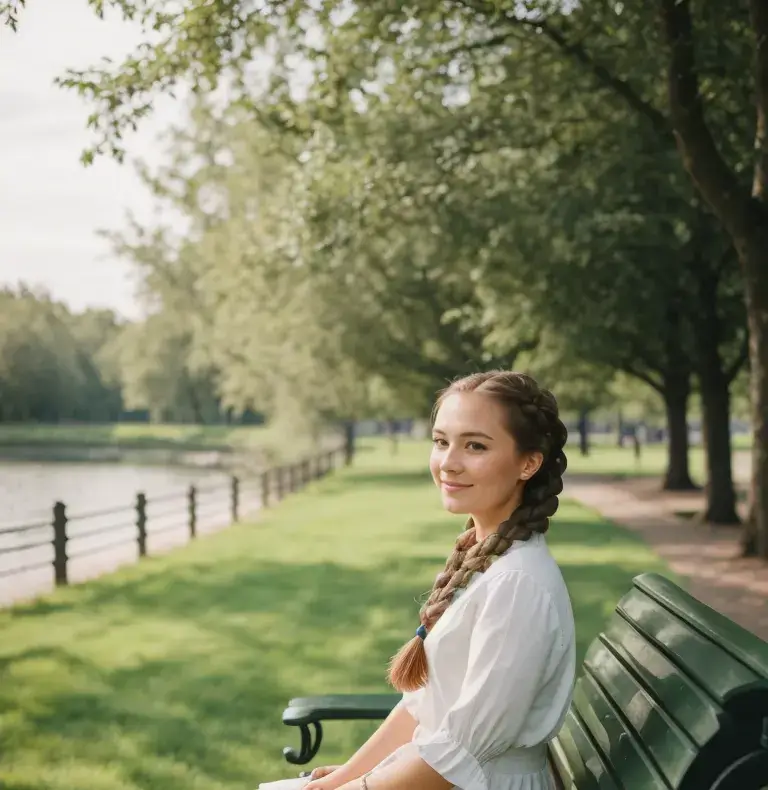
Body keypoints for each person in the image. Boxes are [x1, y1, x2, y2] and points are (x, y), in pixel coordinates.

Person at [262, 371, 576, 790]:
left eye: (475, 446)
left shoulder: (518, 585)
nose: (448, 462)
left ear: (528, 463)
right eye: (441, 441)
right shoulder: (485, 560)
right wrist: (340, 778)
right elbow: (422, 708)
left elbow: (458, 757)